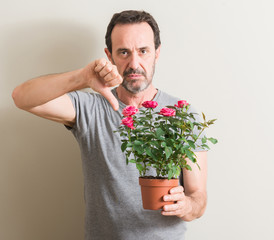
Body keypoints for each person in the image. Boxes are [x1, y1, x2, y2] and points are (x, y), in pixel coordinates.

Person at [12, 10, 207, 240]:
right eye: (124, 52)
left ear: (157, 52)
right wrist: (82, 77)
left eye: (143, 51)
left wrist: (186, 206)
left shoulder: (183, 116)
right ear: (110, 55)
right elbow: (21, 97)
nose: (134, 63)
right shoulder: (91, 108)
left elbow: (199, 199)